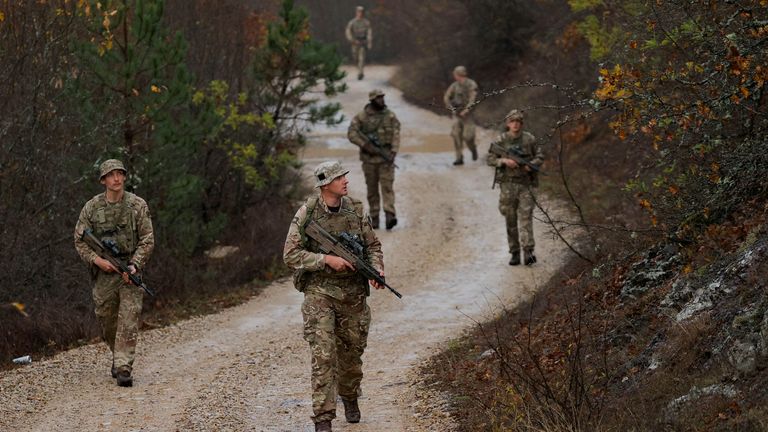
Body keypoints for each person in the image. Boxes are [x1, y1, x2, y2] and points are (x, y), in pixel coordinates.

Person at [283, 161, 385, 432]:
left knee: (351, 356)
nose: (345, 180)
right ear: (325, 184)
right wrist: (325, 259)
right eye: (339, 177)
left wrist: (376, 269)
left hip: (352, 294)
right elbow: (290, 254)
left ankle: (350, 396)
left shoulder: (355, 210)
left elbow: (373, 245)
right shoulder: (307, 213)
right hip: (320, 292)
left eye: (344, 176)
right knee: (323, 354)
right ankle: (323, 417)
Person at [73, 159, 154, 387]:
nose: (116, 179)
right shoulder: (91, 208)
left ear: (125, 177)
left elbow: (148, 239)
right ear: (103, 180)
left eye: (120, 174)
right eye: (111, 175)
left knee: (129, 318)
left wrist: (135, 265)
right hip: (104, 274)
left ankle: (123, 367)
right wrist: (97, 260)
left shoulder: (137, 205)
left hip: (128, 269)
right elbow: (80, 240)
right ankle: (117, 355)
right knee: (106, 320)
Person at [487, 110, 544, 266]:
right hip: (508, 185)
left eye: (518, 121)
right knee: (510, 219)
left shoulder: (529, 139)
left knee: (526, 218)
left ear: (522, 123)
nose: (515, 124)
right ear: (508, 123)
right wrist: (504, 161)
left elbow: (540, 156)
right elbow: (490, 158)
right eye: (512, 121)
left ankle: (528, 251)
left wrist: (531, 167)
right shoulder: (501, 140)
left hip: (526, 184)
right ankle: (514, 252)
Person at [347, 89, 401, 230]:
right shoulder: (361, 117)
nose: (382, 100)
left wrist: (394, 151)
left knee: (387, 188)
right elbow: (352, 133)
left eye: (382, 97)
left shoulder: (390, 116)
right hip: (369, 160)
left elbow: (396, 133)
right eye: (378, 98)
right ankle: (375, 217)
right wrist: (365, 145)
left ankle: (390, 215)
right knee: (372, 190)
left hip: (386, 159)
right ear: (372, 100)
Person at [443, 65, 479, 165]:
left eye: (456, 74)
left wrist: (466, 110)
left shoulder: (471, 84)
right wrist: (451, 108)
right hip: (457, 114)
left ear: (459, 74)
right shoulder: (454, 85)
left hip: (468, 116)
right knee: (456, 136)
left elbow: (473, 99)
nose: (455, 76)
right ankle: (459, 158)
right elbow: (446, 97)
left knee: (468, 137)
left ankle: (473, 149)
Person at [345, 6, 372, 80]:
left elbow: (369, 33)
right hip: (355, 42)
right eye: (359, 12)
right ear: (356, 12)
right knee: (355, 58)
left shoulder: (366, 22)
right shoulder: (352, 22)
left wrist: (369, 42)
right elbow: (348, 31)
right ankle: (359, 69)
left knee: (362, 58)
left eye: (361, 12)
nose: (360, 13)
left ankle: (360, 73)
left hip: (363, 42)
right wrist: (351, 40)